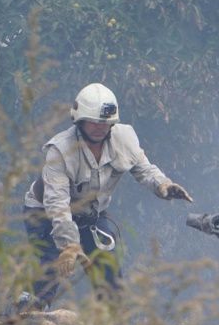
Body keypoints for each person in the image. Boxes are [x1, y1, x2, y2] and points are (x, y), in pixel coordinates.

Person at [21, 82, 192, 309]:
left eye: (106, 122)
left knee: (109, 274)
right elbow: (57, 205)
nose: (100, 127)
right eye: (94, 122)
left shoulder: (125, 138)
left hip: (91, 214)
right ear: (79, 120)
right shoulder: (60, 150)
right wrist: (69, 246)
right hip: (45, 212)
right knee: (52, 268)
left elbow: (144, 169)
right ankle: (23, 322)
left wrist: (163, 185)